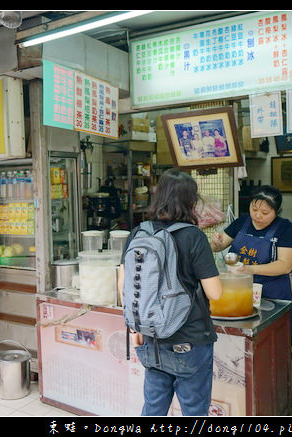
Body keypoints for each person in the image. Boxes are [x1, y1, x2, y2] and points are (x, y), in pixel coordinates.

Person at [117, 168, 222, 416]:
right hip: (190, 339)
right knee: (194, 411)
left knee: (153, 408)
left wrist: (139, 325)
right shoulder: (193, 236)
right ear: (192, 201)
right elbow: (215, 292)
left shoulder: (139, 232)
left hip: (150, 338)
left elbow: (124, 286)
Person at [210, 185, 292, 327]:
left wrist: (250, 269)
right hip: (238, 292)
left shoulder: (285, 228)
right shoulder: (242, 222)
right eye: (254, 209)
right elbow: (218, 247)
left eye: (265, 212)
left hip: (273, 294)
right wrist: (215, 242)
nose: (257, 215)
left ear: (276, 212)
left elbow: (285, 265)